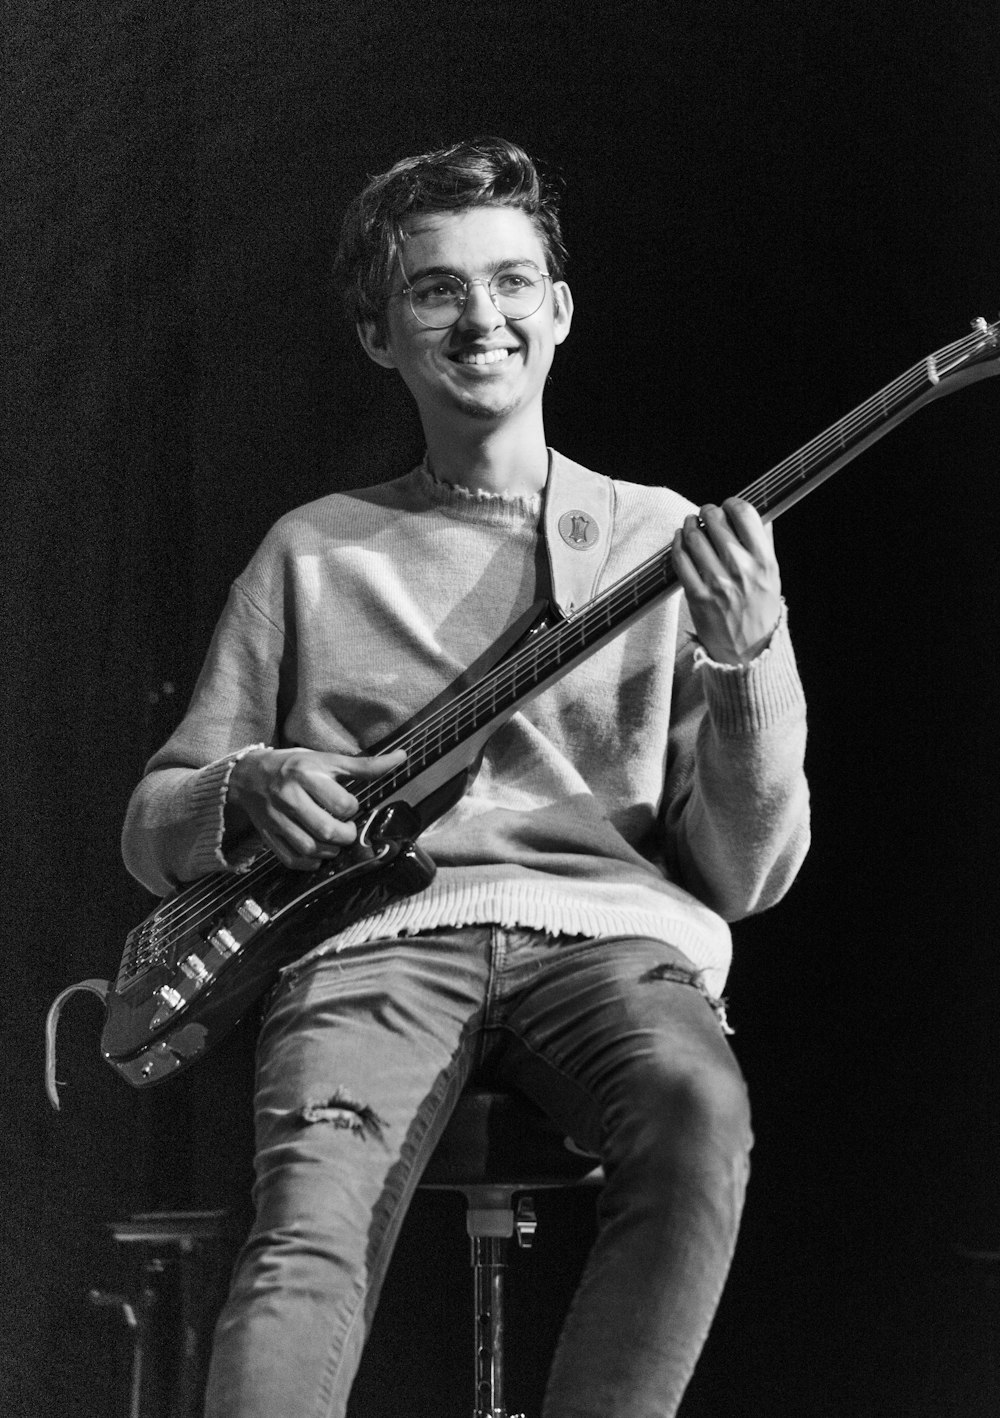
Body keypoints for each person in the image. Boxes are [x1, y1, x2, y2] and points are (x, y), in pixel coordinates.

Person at [122, 136, 810, 1418]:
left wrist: (748, 657)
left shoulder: (663, 538)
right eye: (435, 289)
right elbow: (153, 824)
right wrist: (248, 786)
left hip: (607, 939)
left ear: (557, 308)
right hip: (374, 941)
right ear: (381, 335)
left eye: (510, 281)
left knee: (695, 1111)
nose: (479, 314)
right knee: (306, 1230)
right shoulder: (313, 550)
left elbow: (749, 872)